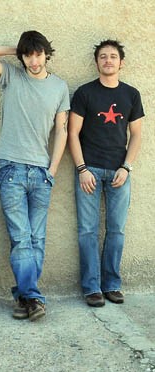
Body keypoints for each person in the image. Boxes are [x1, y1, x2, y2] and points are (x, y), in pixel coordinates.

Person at [0, 31, 69, 322]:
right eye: (28, 55)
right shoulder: (11, 77)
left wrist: (52, 170)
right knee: (21, 239)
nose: (34, 61)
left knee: (37, 238)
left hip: (41, 171)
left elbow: (61, 131)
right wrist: (16, 49)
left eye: (38, 54)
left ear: (46, 54)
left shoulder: (59, 87)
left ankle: (25, 298)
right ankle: (33, 297)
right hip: (11, 169)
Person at [67, 40, 144, 307]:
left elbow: (136, 135)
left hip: (119, 172)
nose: (108, 60)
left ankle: (111, 284)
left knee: (117, 230)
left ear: (121, 62)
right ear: (97, 62)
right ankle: (91, 287)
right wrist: (81, 169)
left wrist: (126, 167)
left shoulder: (131, 94)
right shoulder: (85, 93)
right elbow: (72, 133)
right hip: (88, 170)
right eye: (103, 56)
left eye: (113, 56)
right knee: (87, 231)